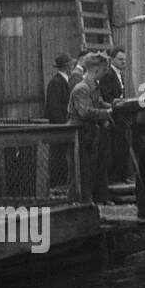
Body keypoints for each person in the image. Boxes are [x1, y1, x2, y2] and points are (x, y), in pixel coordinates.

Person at [68, 53, 113, 203]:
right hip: (78, 134)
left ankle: (95, 199)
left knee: (94, 167)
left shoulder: (94, 87)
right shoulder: (81, 89)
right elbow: (85, 112)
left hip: (90, 133)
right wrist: (107, 113)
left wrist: (115, 105)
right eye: (104, 70)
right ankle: (80, 201)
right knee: (81, 169)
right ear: (95, 70)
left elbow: (99, 102)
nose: (105, 73)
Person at [100, 47, 131, 184]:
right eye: (120, 59)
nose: (123, 62)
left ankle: (122, 176)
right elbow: (107, 96)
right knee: (116, 148)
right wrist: (120, 102)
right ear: (112, 59)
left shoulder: (122, 75)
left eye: (125, 59)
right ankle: (115, 178)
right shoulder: (108, 75)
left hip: (123, 117)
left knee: (123, 146)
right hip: (114, 118)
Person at [44, 54, 74, 188]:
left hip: (63, 126)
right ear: (67, 66)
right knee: (58, 157)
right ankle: (56, 184)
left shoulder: (63, 81)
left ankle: (61, 183)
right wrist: (63, 126)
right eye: (71, 65)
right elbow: (54, 108)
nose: (72, 67)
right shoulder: (56, 83)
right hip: (59, 128)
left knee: (62, 157)